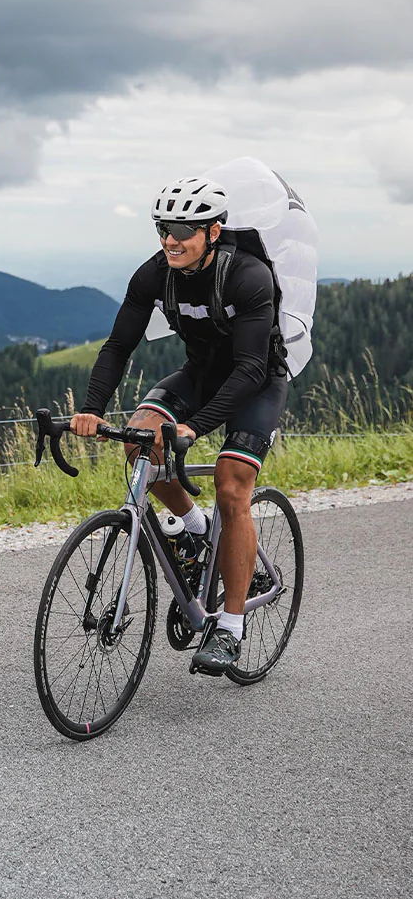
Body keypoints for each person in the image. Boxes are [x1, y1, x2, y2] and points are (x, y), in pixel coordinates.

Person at [70, 177, 287, 675]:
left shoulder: (248, 276)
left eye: (183, 229)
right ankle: (194, 528)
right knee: (141, 440)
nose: (170, 239)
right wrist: (92, 408)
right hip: (200, 376)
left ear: (213, 231)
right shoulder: (154, 274)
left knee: (233, 487)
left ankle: (230, 628)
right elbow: (118, 346)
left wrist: (193, 428)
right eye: (164, 228)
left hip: (257, 382)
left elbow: (251, 368)